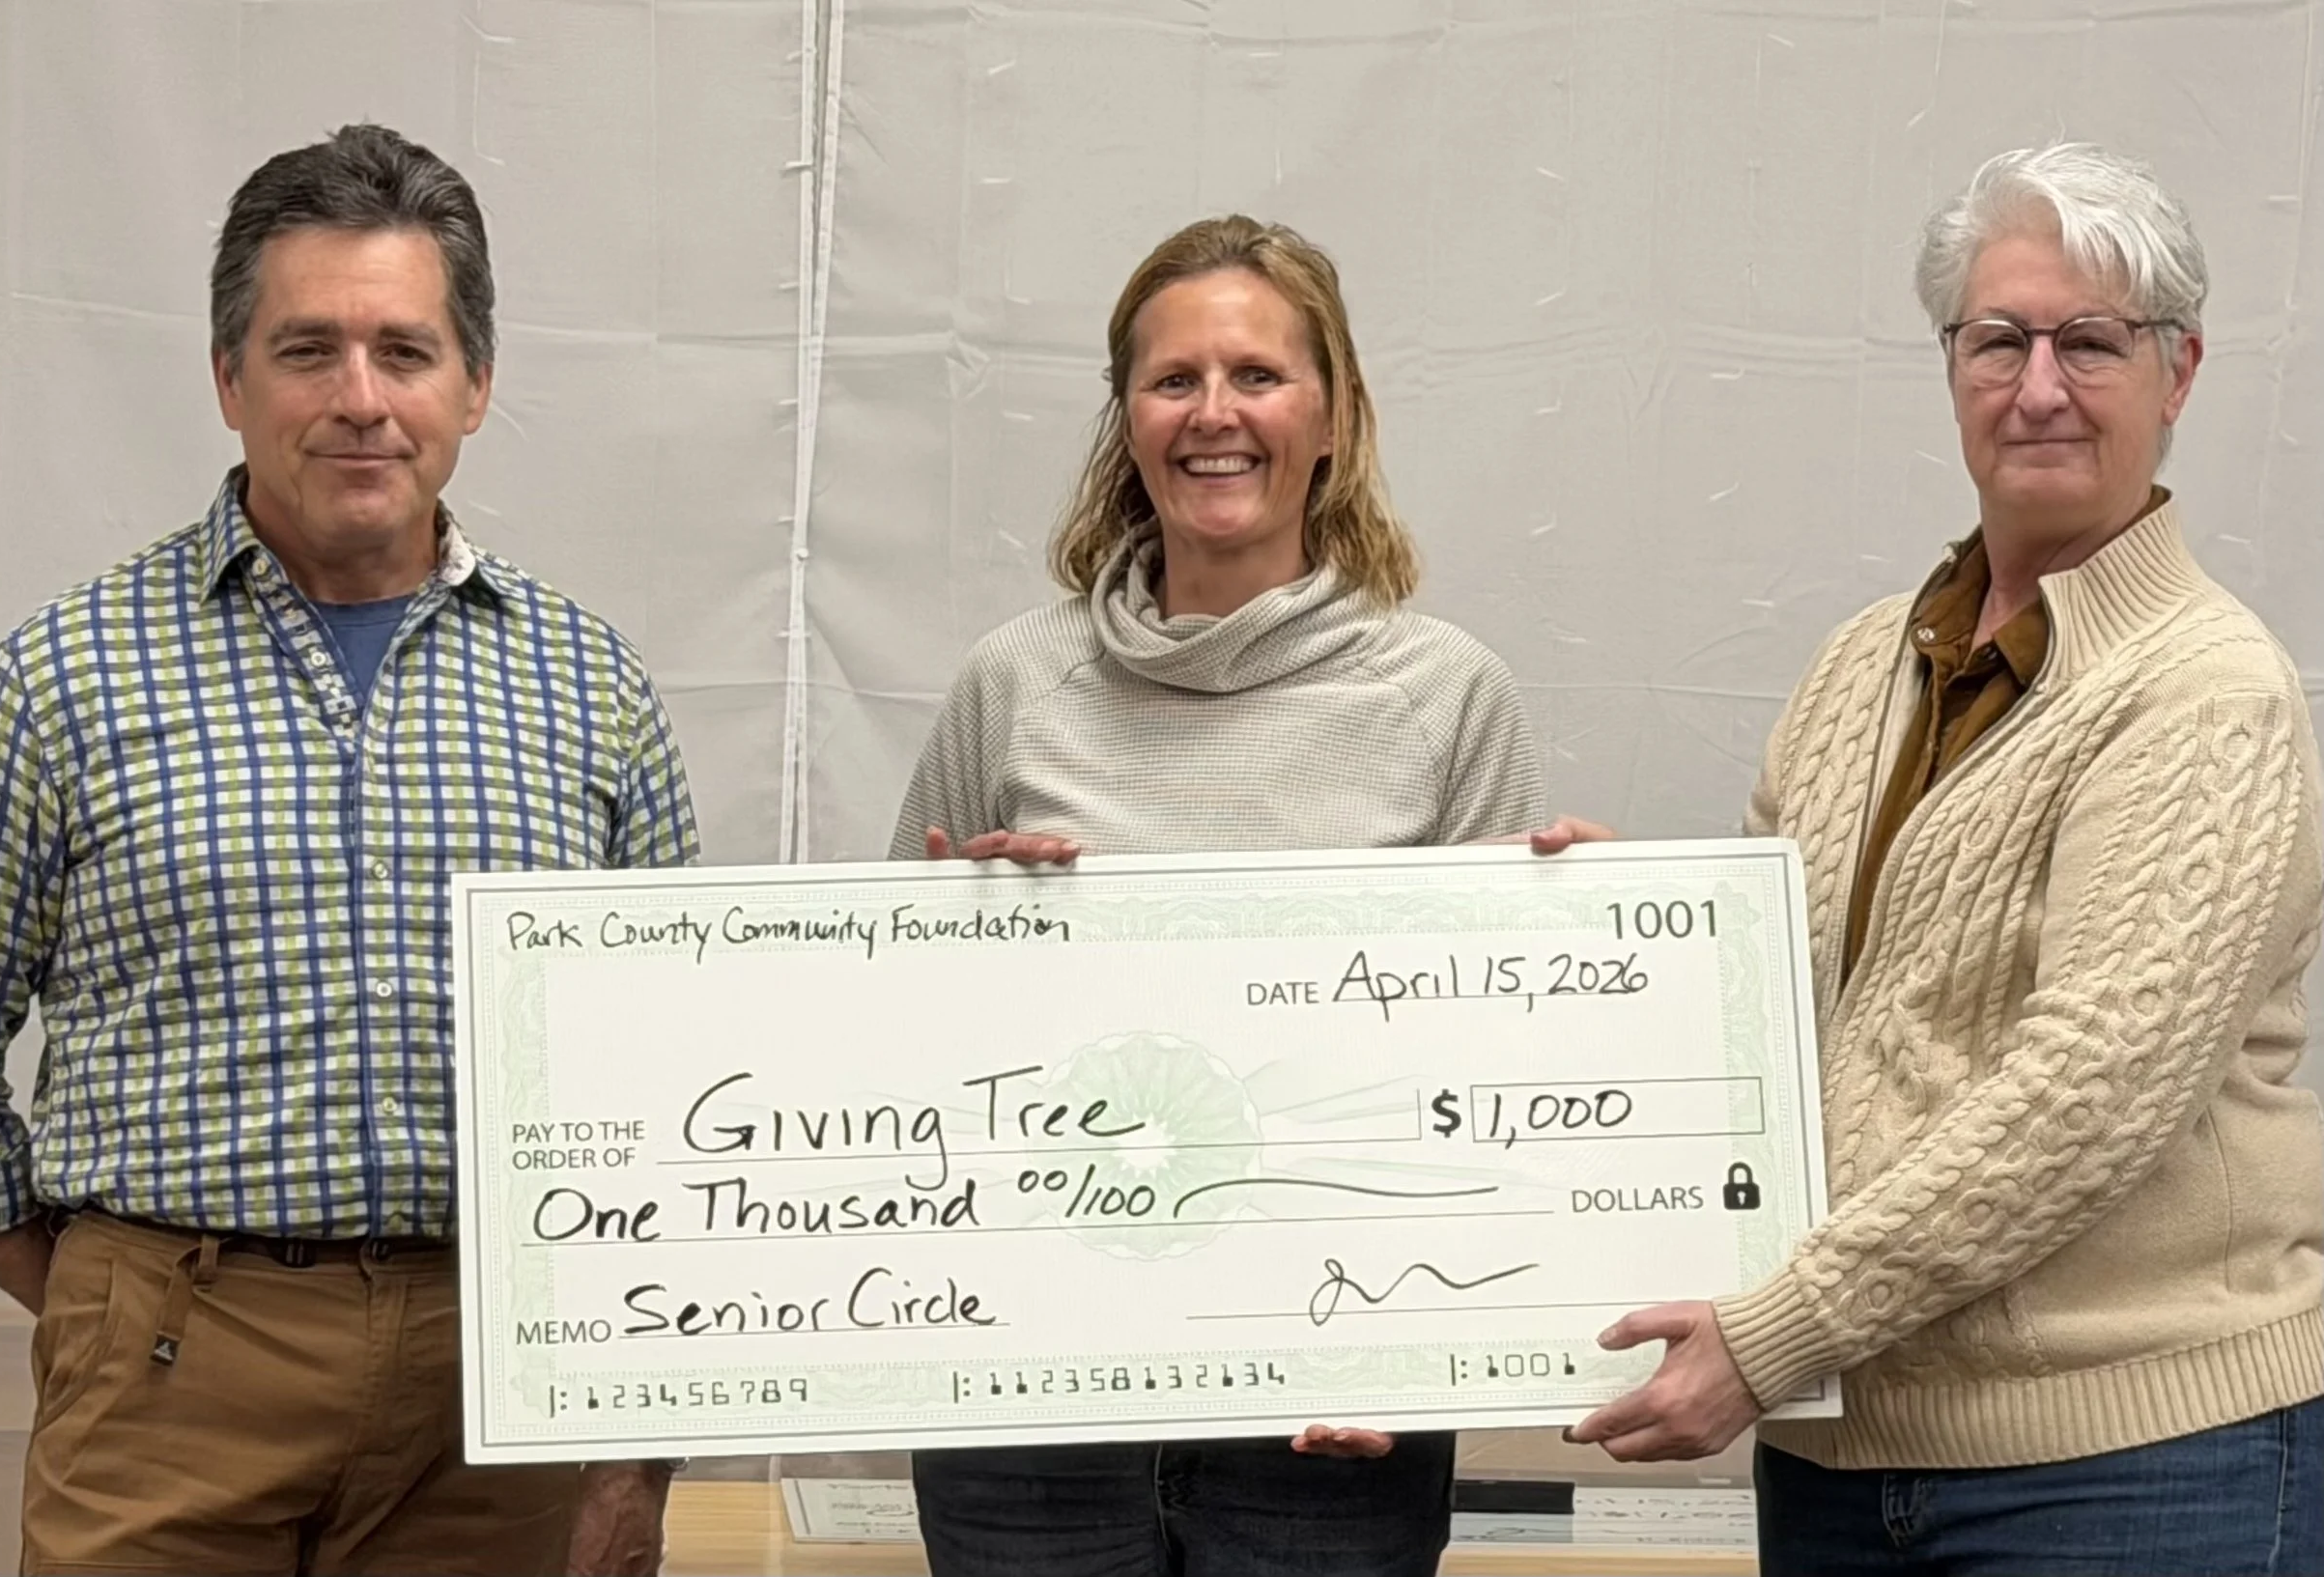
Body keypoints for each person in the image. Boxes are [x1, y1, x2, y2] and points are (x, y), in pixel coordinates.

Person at [0, 124, 697, 1577]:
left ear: (475, 384)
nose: (359, 401)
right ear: (227, 379)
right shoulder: (63, 677)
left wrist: (631, 1458)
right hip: (168, 1370)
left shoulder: (592, 689)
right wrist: (92, 1293)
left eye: (404, 351)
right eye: (305, 349)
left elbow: (676, 1079)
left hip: (496, 1399)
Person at [1564, 143, 2323, 1575]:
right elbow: (1784, 1013)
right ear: (1952, 365)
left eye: (2091, 341)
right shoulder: (1864, 663)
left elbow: (2084, 1094)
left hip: (2133, 1466)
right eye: (1999, 339)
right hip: (1847, 1451)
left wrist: (1772, 1332)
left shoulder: (2205, 688)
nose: (2039, 385)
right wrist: (1620, 941)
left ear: (2182, 371)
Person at [889, 213, 1551, 1577]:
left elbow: (1488, 1076)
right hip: (1026, 1419)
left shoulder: (1447, 696)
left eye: (1257, 375)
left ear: (1335, 413)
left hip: (1327, 1419)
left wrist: (1416, 1355)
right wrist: (961, 941)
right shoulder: (1014, 682)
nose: (1214, 414)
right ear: (1126, 418)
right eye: (1173, 379)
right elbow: (884, 1036)